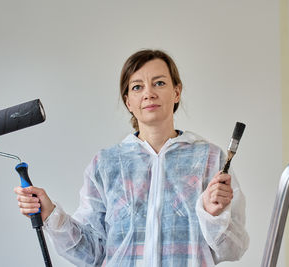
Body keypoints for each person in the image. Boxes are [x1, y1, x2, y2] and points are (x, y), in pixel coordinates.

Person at [14, 49, 249, 267]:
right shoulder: (106, 165)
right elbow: (92, 252)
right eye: (137, 87)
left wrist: (211, 215)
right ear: (128, 101)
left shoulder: (210, 159)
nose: (149, 93)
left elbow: (233, 248)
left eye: (159, 83)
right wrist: (51, 215)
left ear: (176, 92)